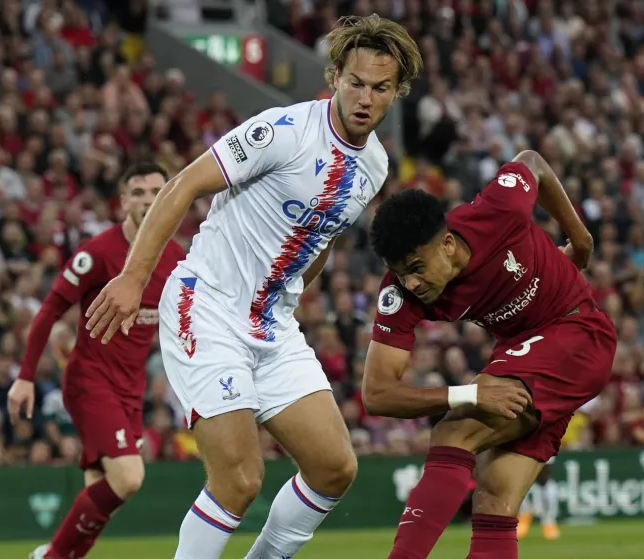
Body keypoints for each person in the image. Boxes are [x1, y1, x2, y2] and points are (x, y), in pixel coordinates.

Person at [85, 15, 423, 559]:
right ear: (334, 76)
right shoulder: (283, 131)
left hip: (271, 325)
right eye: (355, 82)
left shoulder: (376, 165)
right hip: (208, 305)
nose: (365, 97)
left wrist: (293, 292)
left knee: (335, 468)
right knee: (239, 479)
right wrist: (133, 275)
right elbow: (184, 185)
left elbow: (323, 235)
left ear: (397, 91)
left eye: (380, 87)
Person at [362, 150, 616, 559]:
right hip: (530, 353)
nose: (411, 283)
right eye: (400, 271)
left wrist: (579, 236)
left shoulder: (497, 210)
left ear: (446, 244)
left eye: (416, 266)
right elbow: (377, 395)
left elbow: (532, 161)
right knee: (494, 496)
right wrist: (469, 394)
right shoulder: (401, 293)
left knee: (452, 432)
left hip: (577, 332)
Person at [7, 162, 185, 559]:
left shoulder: (176, 259)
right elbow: (49, 311)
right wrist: (25, 377)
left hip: (131, 390)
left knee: (100, 492)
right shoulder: (98, 254)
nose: (147, 200)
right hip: (91, 381)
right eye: (137, 193)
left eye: (156, 192)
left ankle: (56, 555)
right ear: (123, 202)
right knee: (129, 477)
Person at [517, 457, 559, 540]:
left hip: (542, 446)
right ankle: (524, 516)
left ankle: (549, 522)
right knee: (520, 479)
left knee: (545, 479)